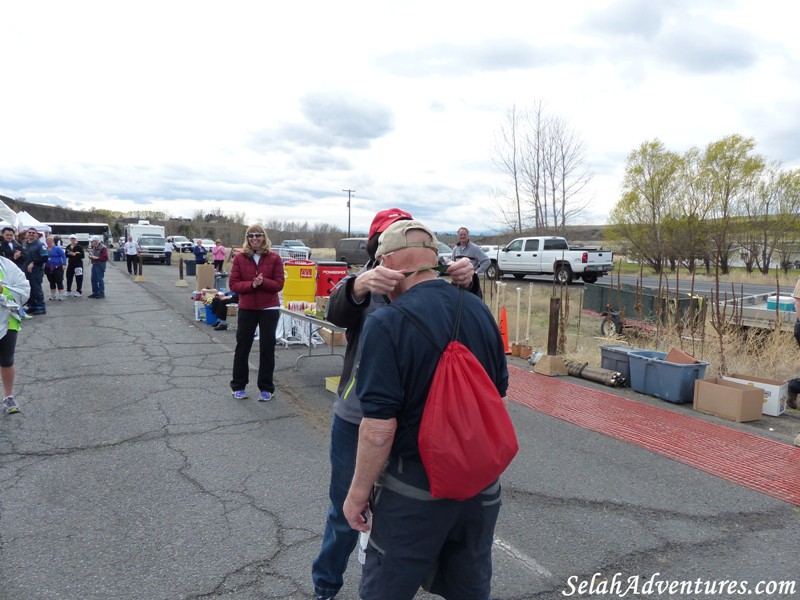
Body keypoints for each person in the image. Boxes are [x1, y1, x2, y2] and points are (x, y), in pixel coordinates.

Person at [311, 209, 477, 600]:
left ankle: (393, 583)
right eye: (389, 239)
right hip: (357, 416)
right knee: (345, 507)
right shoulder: (367, 280)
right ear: (379, 249)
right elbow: (335, 313)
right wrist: (359, 286)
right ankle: (325, 586)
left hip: (417, 418)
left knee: (407, 511)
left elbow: (466, 318)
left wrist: (469, 282)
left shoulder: (431, 278)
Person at [342, 219, 508, 600]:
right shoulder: (480, 311)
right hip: (480, 488)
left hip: (414, 488)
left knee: (388, 588)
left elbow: (379, 429)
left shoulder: (386, 323)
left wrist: (356, 495)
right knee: (469, 586)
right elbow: (498, 397)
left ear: (388, 266)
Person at [227, 225, 284, 401]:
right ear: (247, 238)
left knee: (267, 348)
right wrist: (251, 285)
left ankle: (266, 388)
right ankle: (238, 385)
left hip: (269, 309)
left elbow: (279, 284)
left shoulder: (274, 258)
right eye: (250, 235)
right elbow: (234, 285)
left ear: (264, 237)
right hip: (247, 308)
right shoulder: (239, 258)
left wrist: (263, 282)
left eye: (258, 235)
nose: (254, 238)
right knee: (242, 347)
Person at [0, 253, 31, 414]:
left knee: (6, 360)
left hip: (7, 319)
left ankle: (8, 397)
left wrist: (3, 289)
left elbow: (24, 291)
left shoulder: (8, 266)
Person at [451, 226, 491, 299]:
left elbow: (487, 261)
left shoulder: (475, 248)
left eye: (464, 234)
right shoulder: (455, 249)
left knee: (472, 303)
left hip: (471, 282)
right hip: (458, 282)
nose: (462, 236)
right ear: (458, 236)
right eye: (461, 235)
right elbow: (452, 263)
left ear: (468, 235)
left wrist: (476, 272)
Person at [22, 228, 48, 315]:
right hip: (25, 270)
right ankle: (32, 306)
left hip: (36, 271)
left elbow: (45, 258)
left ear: (36, 234)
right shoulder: (24, 244)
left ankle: (41, 307)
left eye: (33, 233)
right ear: (27, 234)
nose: (31, 234)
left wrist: (34, 263)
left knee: (37, 289)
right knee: (29, 289)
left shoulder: (40, 245)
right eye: (29, 232)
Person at [44, 236, 67, 300]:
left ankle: (61, 295)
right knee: (51, 281)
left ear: (53, 241)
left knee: (59, 281)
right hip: (48, 267)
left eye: (50, 241)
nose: (49, 242)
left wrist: (64, 264)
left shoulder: (57, 248)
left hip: (58, 267)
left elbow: (63, 256)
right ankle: (53, 295)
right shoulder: (45, 249)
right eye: (47, 241)